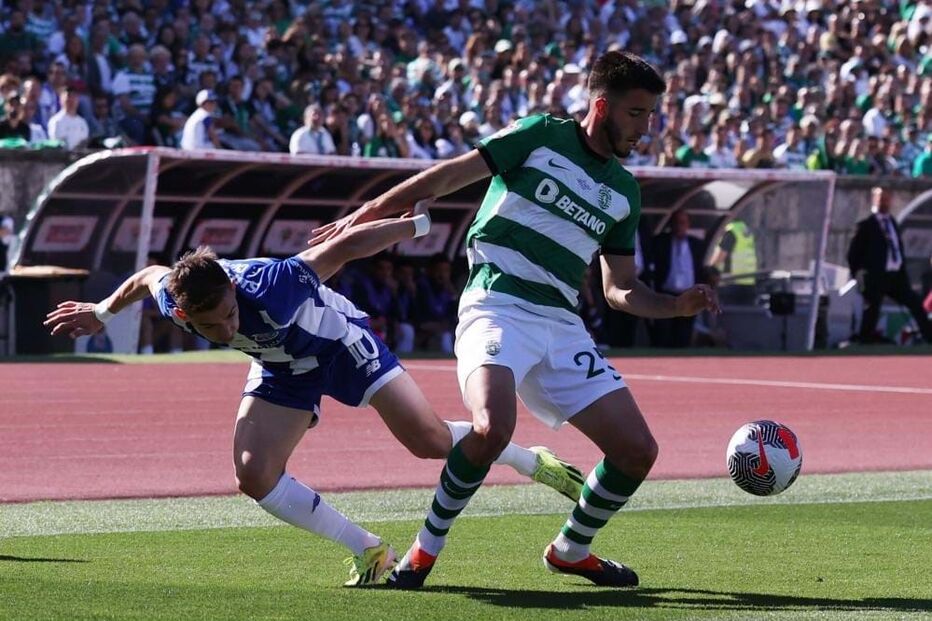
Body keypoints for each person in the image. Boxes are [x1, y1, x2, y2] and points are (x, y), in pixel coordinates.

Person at [311, 51, 719, 589]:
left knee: (637, 451)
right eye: (638, 114)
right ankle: (422, 553)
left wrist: (674, 305)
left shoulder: (624, 192)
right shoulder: (540, 135)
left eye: (651, 115)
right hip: (496, 303)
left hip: (561, 323)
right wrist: (365, 215)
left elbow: (619, 290)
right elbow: (448, 175)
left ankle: (571, 550)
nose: (648, 128)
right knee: (490, 428)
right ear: (602, 106)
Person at [44, 208, 583, 588]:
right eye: (213, 325)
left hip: (340, 344)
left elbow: (345, 247)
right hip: (282, 365)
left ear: (234, 292)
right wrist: (102, 312)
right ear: (185, 315)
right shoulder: (176, 297)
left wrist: (417, 224)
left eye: (230, 313)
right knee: (253, 475)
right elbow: (145, 277)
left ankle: (531, 460)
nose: (227, 325)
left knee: (428, 441)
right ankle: (370, 552)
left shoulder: (271, 283)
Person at [847, 186, 932, 344]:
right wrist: (857, 274)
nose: (884, 202)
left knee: (915, 304)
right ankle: (865, 340)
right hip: (875, 276)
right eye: (881, 199)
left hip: (895, 277)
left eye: (886, 199)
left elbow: (897, 247)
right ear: (874, 200)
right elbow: (853, 253)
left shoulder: (892, 222)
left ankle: (928, 336)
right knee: (872, 309)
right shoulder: (866, 224)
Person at [651, 208, 705, 348]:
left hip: (689, 294)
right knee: (663, 333)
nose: (679, 226)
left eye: (683, 223)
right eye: (676, 223)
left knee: (684, 335)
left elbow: (701, 269)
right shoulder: (660, 242)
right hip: (665, 294)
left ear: (688, 225)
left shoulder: (697, 245)